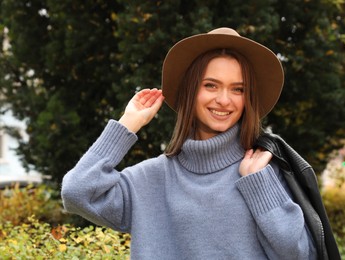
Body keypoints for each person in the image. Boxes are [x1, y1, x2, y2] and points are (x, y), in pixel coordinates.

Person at [62, 27, 319, 259]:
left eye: (238, 89)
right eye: (211, 85)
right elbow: (78, 192)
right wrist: (128, 124)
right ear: (190, 91)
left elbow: (299, 255)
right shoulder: (151, 180)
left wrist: (259, 186)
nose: (224, 100)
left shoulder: (263, 172)